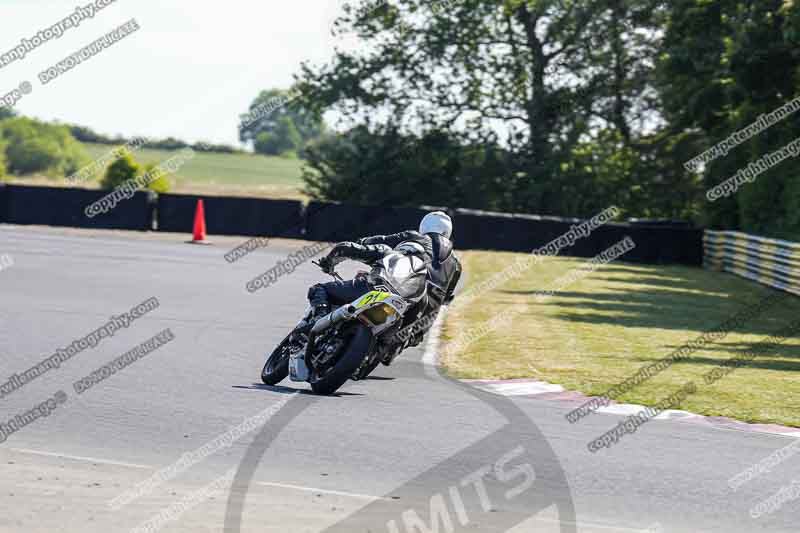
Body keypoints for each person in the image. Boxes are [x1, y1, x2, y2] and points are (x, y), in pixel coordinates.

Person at [305, 212, 462, 346]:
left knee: (320, 289)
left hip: (388, 289)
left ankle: (320, 318)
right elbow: (447, 298)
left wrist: (364, 242)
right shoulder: (456, 266)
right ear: (447, 232)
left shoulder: (414, 238)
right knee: (406, 338)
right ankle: (382, 346)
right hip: (419, 316)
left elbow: (375, 242)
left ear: (424, 227)